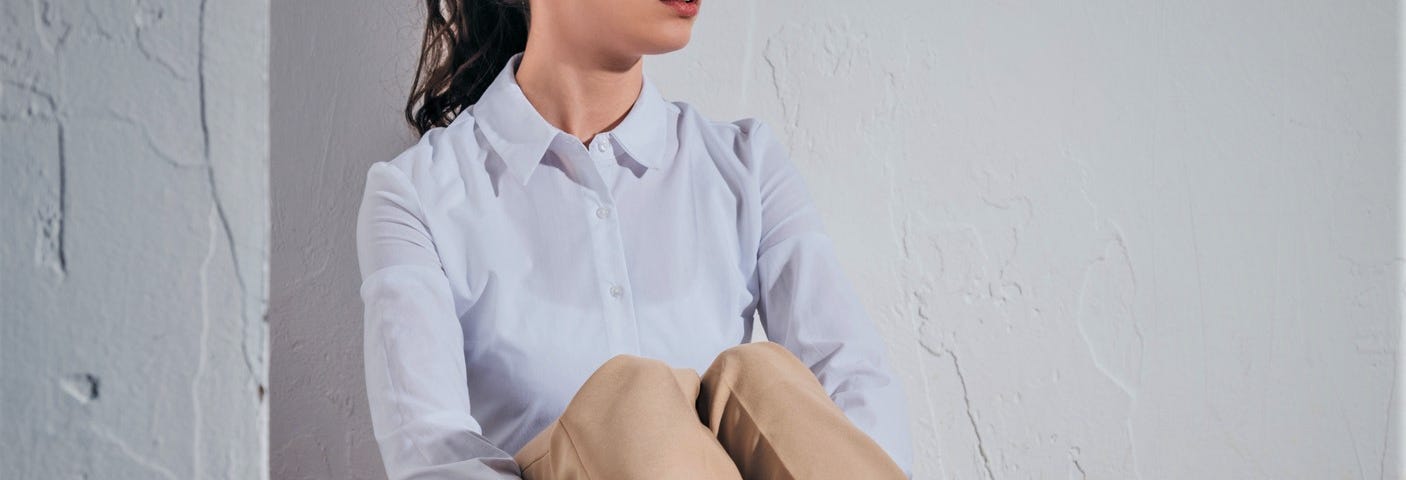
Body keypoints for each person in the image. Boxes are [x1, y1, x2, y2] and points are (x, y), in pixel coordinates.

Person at [355, 0, 914, 478]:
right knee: (633, 401)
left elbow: (856, 386)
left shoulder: (747, 164)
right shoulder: (417, 195)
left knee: (762, 378)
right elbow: (435, 457)